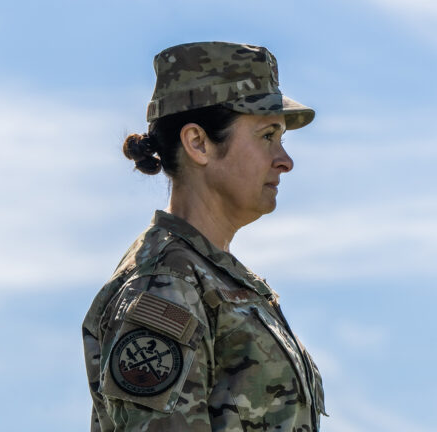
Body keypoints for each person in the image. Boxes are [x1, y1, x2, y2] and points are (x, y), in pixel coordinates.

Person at [82, 41, 327, 431]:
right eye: (267, 136)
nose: (285, 160)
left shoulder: (213, 278)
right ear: (198, 143)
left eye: (282, 139)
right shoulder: (165, 286)